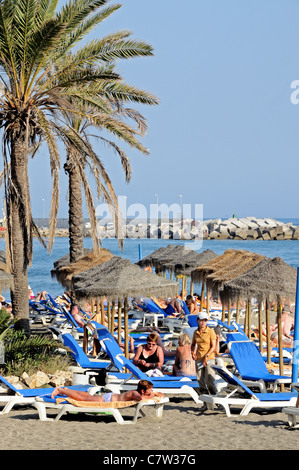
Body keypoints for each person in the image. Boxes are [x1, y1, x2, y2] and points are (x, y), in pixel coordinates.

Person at [51, 379, 164, 402]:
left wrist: (156, 394)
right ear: (143, 391)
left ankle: (66, 390)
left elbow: (146, 395)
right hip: (107, 399)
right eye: (150, 390)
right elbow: (143, 398)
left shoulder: (138, 392)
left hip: (110, 397)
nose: (152, 391)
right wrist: (154, 395)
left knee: (86, 396)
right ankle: (61, 390)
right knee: (84, 398)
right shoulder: (136, 393)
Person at [191, 312, 217, 395]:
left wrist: (206, 356)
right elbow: (193, 344)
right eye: (201, 320)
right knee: (201, 382)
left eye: (205, 320)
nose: (203, 323)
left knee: (210, 382)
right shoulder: (196, 332)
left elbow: (213, 346)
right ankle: (205, 403)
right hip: (199, 358)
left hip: (209, 358)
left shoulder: (210, 331)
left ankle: (215, 402)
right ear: (198, 321)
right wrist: (192, 352)